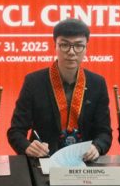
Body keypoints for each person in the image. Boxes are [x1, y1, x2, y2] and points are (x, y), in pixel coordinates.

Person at [8, 18, 112, 160]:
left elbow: (104, 132)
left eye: (78, 45)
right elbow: (15, 131)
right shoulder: (33, 82)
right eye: (64, 45)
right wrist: (27, 146)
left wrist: (97, 147)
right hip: (44, 160)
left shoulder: (97, 83)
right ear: (55, 46)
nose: (71, 52)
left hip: (84, 162)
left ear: (86, 48)